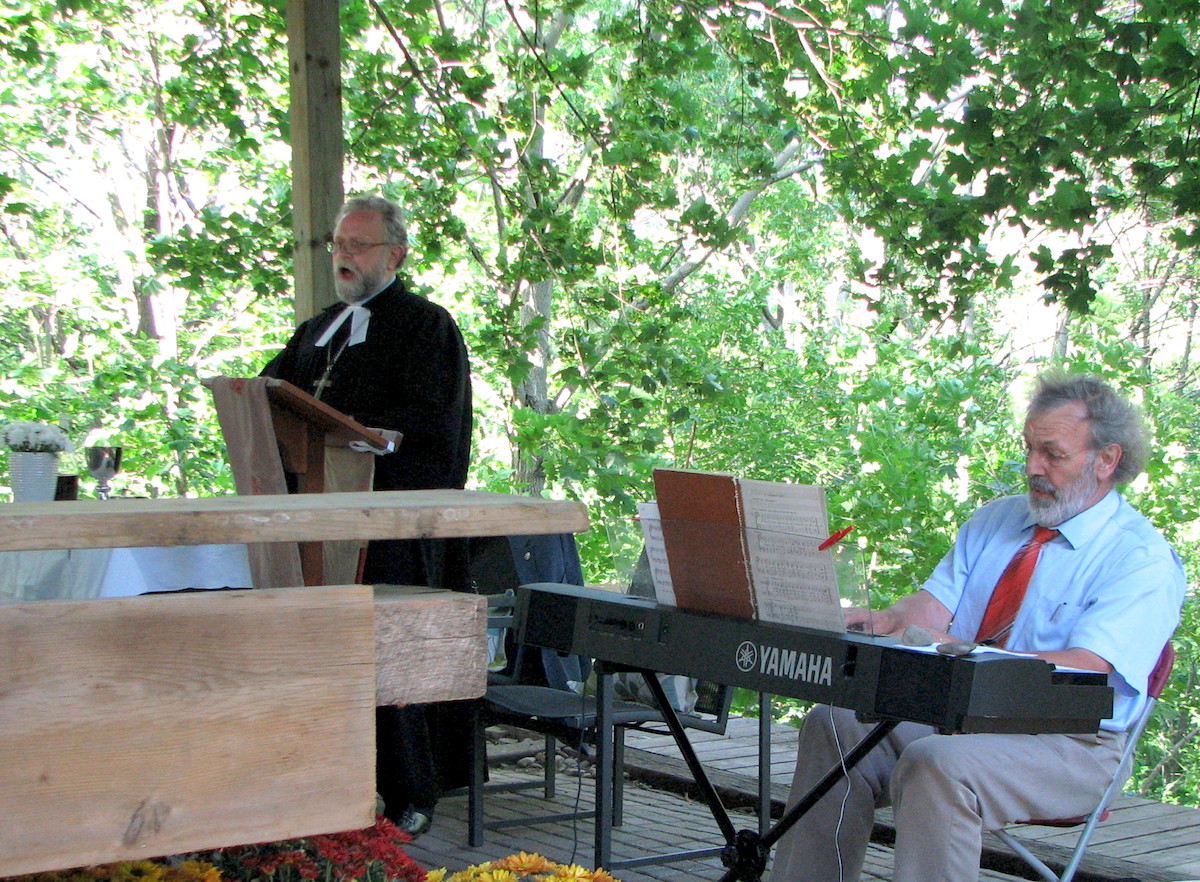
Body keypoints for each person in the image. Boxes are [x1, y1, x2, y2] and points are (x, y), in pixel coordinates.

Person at [768, 372, 1185, 882]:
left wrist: (961, 651)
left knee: (937, 762)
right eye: (1028, 449)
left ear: (1106, 460)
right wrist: (888, 618)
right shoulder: (997, 520)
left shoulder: (1140, 559)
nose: (1033, 468)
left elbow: (1086, 672)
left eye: (1052, 455)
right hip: (958, 713)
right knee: (833, 723)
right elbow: (931, 610)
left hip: (1069, 743)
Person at [261, 194, 472, 839]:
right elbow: (273, 398)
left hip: (389, 524)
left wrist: (376, 438)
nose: (344, 258)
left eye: (358, 246)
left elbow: (439, 428)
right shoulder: (318, 328)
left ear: (396, 254)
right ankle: (324, 775)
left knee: (391, 657)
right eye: (338, 246)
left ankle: (411, 789)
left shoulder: (426, 327)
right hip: (320, 525)